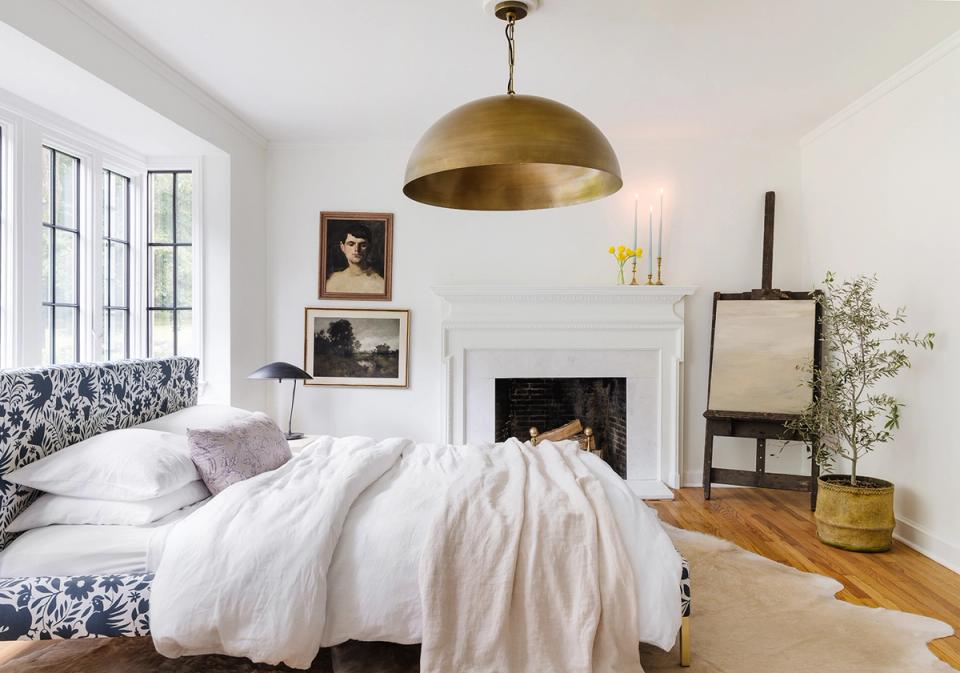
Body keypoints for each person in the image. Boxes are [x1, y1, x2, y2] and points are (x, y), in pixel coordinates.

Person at [325, 223, 385, 294]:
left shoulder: (379, 284)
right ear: (342, 247)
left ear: (369, 248)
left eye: (363, 245)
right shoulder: (333, 280)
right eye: (351, 244)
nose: (357, 249)